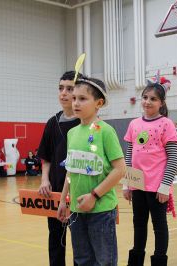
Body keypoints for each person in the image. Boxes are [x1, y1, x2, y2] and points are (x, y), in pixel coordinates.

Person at [57, 76, 126, 266]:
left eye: (82, 98)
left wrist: (94, 195)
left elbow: (120, 169)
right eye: (74, 98)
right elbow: (70, 171)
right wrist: (63, 200)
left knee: (104, 261)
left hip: (101, 211)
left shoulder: (105, 131)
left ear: (99, 103)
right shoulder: (72, 133)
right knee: (82, 260)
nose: (76, 103)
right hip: (77, 211)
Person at [122, 76, 177, 266]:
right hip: (138, 183)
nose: (147, 102)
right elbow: (129, 155)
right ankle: (136, 260)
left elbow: (173, 158)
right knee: (138, 224)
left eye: (153, 99)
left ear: (161, 103)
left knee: (159, 226)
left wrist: (165, 186)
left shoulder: (166, 124)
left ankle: (159, 261)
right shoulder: (134, 124)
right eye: (145, 97)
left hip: (157, 186)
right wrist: (127, 183)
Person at [37, 71, 82, 266]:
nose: (63, 93)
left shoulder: (85, 123)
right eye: (60, 88)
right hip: (54, 192)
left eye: (69, 89)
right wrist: (44, 179)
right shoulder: (52, 122)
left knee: (80, 243)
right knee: (55, 239)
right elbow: (46, 157)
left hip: (79, 191)